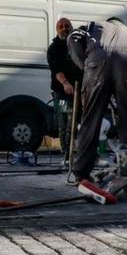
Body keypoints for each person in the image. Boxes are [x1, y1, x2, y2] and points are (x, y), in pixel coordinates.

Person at [67, 18, 127, 183]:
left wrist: (85, 64)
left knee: (90, 120)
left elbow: (72, 37)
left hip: (97, 62)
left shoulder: (94, 26)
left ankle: (81, 173)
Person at [46, 17, 80, 157]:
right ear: (57, 29)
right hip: (61, 93)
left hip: (77, 92)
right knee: (64, 123)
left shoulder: (76, 45)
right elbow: (56, 70)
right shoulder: (54, 48)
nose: (65, 28)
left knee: (74, 123)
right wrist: (65, 83)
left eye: (67, 26)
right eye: (61, 26)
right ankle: (66, 153)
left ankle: (72, 151)